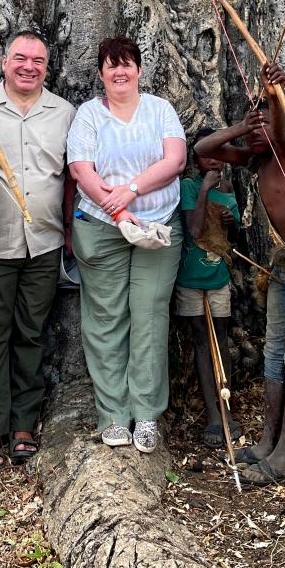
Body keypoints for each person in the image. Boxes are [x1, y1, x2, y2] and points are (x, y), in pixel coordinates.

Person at [195, 62, 285, 486]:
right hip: (282, 265)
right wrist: (244, 127)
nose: (260, 132)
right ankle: (266, 442)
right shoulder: (255, 160)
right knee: (274, 350)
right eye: (253, 122)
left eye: (265, 122)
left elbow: (278, 133)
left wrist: (274, 96)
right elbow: (205, 148)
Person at [67, 37, 187, 454]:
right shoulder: (88, 115)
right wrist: (117, 210)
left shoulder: (160, 110)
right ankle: (114, 415)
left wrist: (131, 191)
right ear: (101, 73)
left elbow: (174, 161)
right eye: (111, 65)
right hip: (102, 226)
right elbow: (81, 170)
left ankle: (147, 414)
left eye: (127, 64)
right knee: (105, 318)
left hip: (157, 226)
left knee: (149, 314)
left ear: (139, 69)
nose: (120, 71)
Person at [0, 31, 76, 472]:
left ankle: (24, 423)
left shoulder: (63, 112)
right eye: (21, 58)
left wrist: (69, 230)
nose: (29, 66)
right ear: (4, 62)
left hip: (45, 242)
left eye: (39, 61)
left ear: (47, 67)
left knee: (32, 333)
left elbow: (70, 175)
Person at [174, 129, 241, 449]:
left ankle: (227, 410)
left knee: (222, 341)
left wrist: (232, 222)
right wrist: (203, 191)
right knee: (202, 342)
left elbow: (235, 238)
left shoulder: (229, 188)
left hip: (219, 280)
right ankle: (213, 417)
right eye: (206, 155)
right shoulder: (189, 186)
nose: (214, 159)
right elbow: (195, 230)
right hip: (190, 281)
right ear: (195, 160)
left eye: (221, 152)